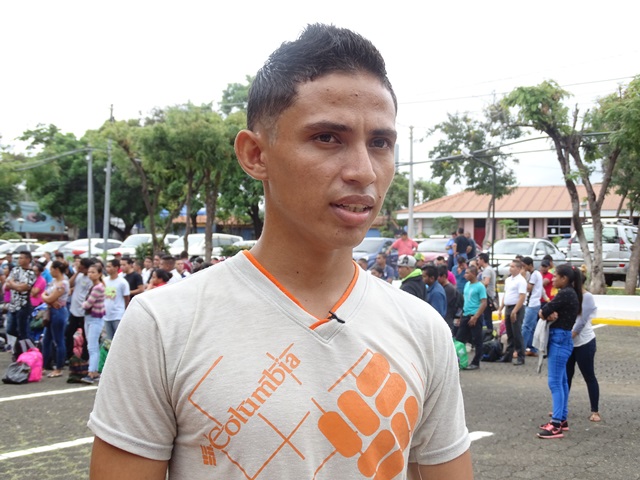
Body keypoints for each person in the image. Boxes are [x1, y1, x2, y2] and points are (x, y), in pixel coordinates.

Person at [88, 24, 472, 479]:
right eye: (327, 137)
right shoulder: (165, 325)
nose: (364, 171)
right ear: (255, 154)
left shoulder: (422, 329)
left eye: (380, 143)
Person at [538, 264, 583, 439]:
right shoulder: (571, 293)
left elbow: (544, 311)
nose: (553, 279)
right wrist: (547, 312)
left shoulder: (565, 293)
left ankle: (556, 424)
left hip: (559, 338)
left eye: (556, 276)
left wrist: (545, 313)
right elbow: (547, 311)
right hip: (564, 338)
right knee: (562, 381)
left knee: (555, 382)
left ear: (564, 278)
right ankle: (561, 418)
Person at [567, 266, 600, 423]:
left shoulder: (587, 297)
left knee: (589, 376)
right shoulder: (568, 295)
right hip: (569, 342)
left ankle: (595, 410)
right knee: (566, 376)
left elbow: (581, 321)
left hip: (584, 342)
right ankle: (561, 408)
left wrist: (569, 336)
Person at [41, 260, 70, 378]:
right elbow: (46, 296)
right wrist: (47, 298)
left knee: (58, 340)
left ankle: (59, 368)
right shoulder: (54, 282)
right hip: (51, 311)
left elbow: (48, 298)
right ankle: (43, 366)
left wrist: (46, 297)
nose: (50, 272)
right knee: (46, 340)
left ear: (57, 270)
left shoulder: (63, 283)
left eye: (52, 269)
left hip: (58, 312)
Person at [456, 265, 487, 370]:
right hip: (465, 314)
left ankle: (476, 362)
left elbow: (484, 303)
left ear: (473, 274)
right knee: (459, 339)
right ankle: (458, 360)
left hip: (475, 315)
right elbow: (466, 301)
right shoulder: (467, 285)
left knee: (477, 340)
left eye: (467, 273)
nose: (465, 275)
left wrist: (476, 316)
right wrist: (461, 315)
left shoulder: (480, 286)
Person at [498, 260, 527, 365]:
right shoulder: (508, 280)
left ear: (519, 269)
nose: (511, 268)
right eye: (510, 266)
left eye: (513, 266)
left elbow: (522, 297)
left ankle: (520, 356)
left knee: (516, 332)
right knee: (509, 332)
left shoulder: (521, 281)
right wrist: (501, 308)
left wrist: (515, 311)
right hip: (508, 306)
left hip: (516, 307)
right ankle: (508, 355)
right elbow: (506, 294)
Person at [81, 263, 106, 384]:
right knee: (92, 346)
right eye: (89, 272)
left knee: (92, 347)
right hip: (90, 318)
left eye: (93, 272)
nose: (90, 274)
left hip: (95, 318)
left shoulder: (98, 287)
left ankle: (92, 372)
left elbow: (87, 304)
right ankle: (93, 371)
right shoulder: (94, 286)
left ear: (99, 274)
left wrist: (82, 304)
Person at [65, 258, 94, 362]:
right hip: (74, 311)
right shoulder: (79, 276)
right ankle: (69, 355)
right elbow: (69, 284)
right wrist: (77, 273)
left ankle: (84, 357)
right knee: (68, 333)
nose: (78, 267)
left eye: (81, 266)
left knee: (85, 336)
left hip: (84, 312)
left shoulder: (91, 279)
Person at [5, 251, 36, 343]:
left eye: (21, 258)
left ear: (28, 259)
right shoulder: (15, 270)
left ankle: (27, 346)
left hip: (23, 305)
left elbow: (23, 288)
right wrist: (17, 285)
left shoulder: (31, 273)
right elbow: (7, 285)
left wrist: (13, 283)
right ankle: (23, 343)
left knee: (22, 331)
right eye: (19, 258)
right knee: (10, 329)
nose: (19, 260)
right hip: (13, 305)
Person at [521, 256, 547, 357]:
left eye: (524, 266)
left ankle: (521, 349)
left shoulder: (534, 275)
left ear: (530, 265)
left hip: (532, 304)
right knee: (531, 327)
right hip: (533, 303)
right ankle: (533, 348)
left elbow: (528, 288)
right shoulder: (535, 274)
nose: (523, 268)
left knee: (526, 327)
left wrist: (523, 277)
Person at [103, 259, 130, 340]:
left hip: (118, 315)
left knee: (119, 338)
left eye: (109, 266)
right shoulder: (104, 280)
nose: (107, 269)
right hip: (106, 315)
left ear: (116, 268)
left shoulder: (122, 282)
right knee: (109, 339)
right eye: (107, 266)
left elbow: (126, 298)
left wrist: (125, 312)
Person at [437, 264, 462, 334]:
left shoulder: (449, 289)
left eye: (438, 276)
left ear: (444, 276)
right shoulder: (443, 288)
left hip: (447, 320)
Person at [476, 253, 497, 331]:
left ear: (482, 260)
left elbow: (486, 282)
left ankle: (489, 333)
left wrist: (477, 284)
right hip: (489, 295)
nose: (477, 262)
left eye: (478, 260)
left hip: (487, 296)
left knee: (487, 317)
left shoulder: (487, 270)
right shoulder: (488, 269)